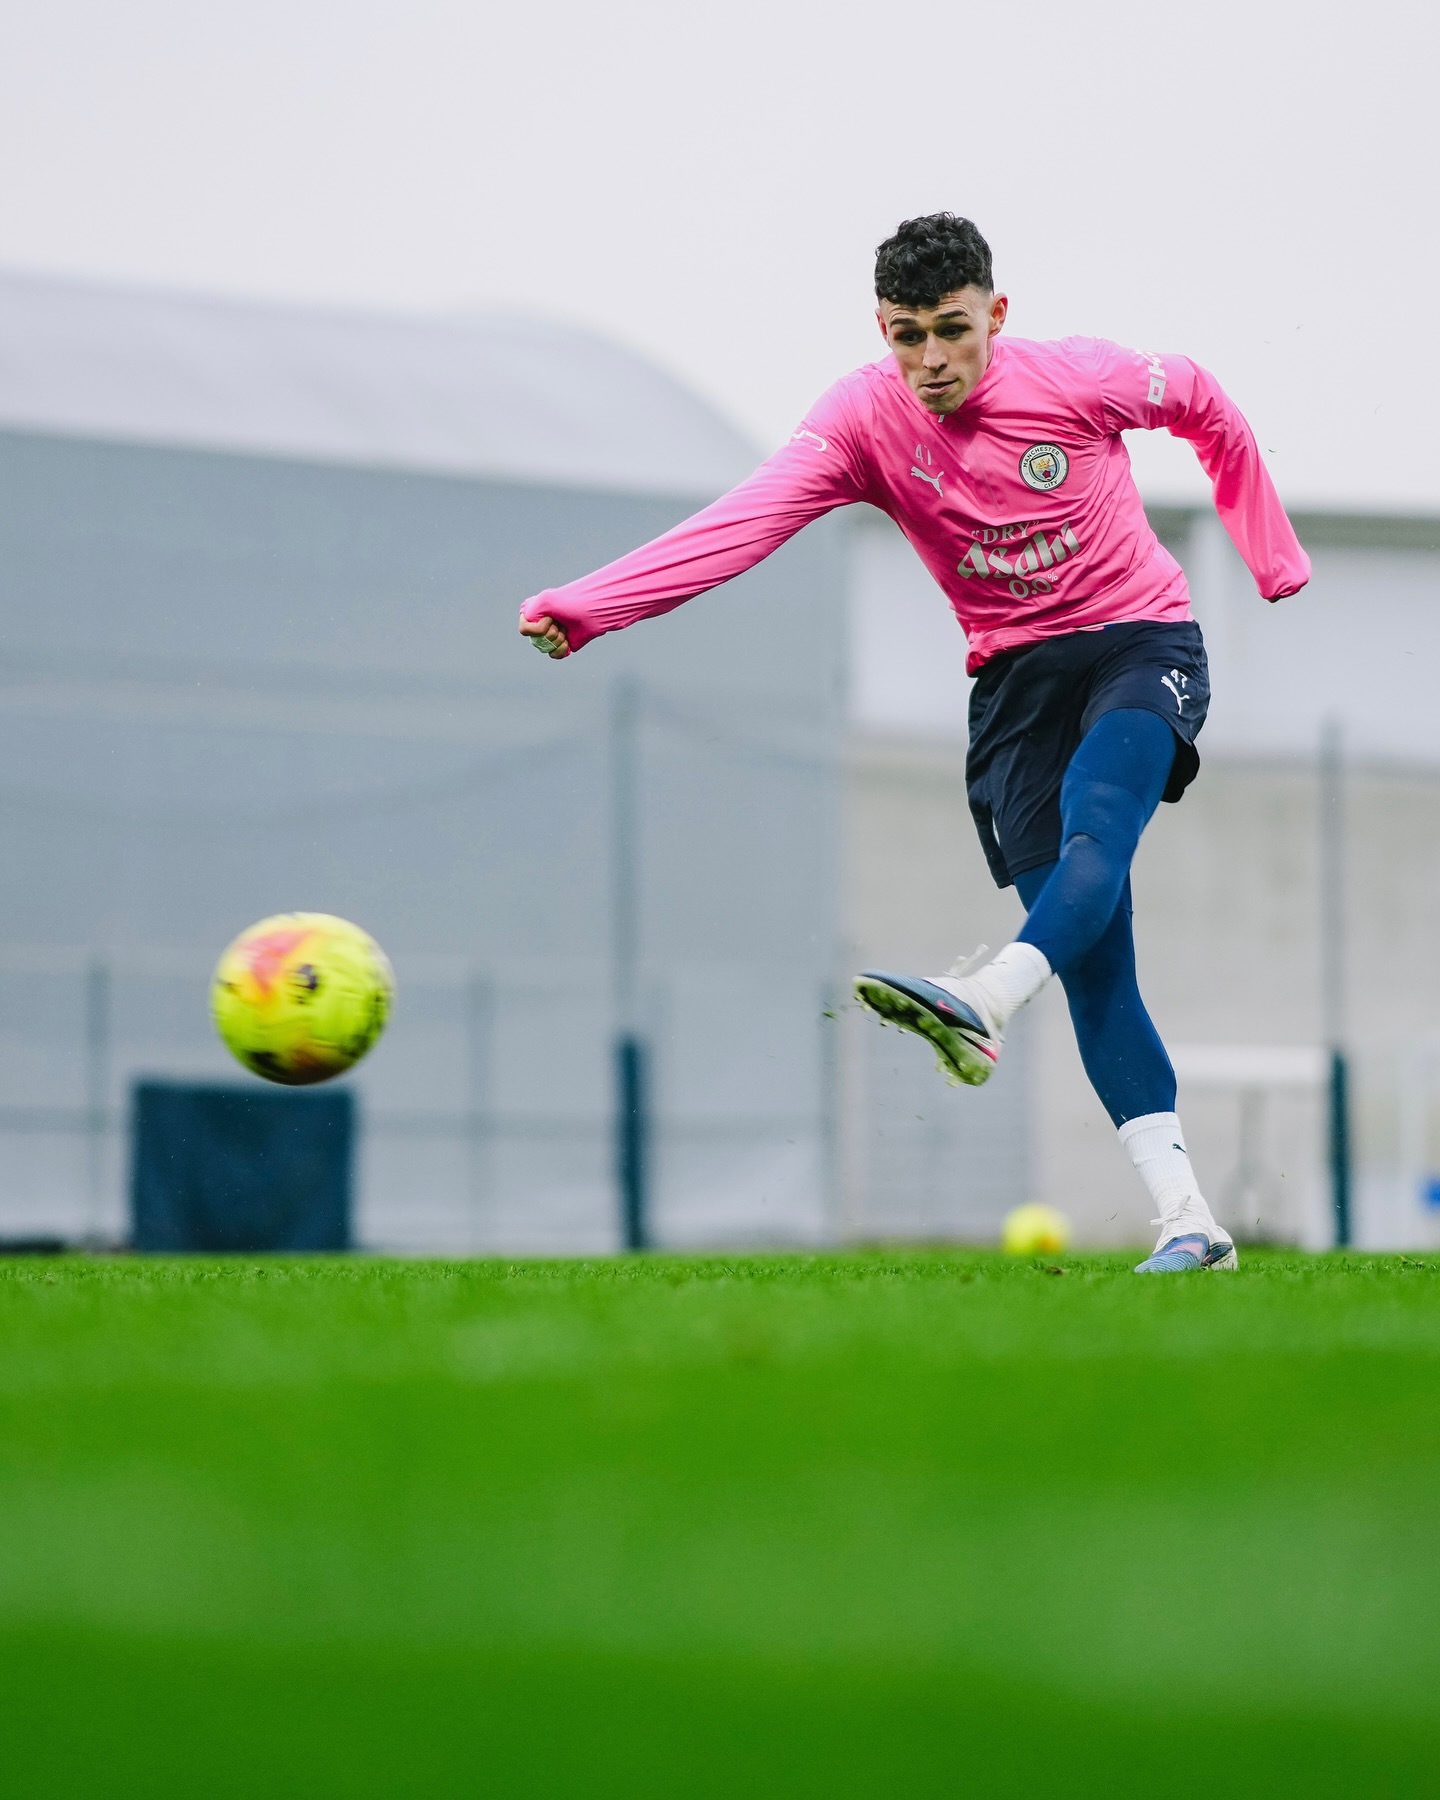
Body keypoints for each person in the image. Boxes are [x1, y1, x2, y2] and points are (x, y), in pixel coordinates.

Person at [518, 212, 1309, 1273]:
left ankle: (983, 999)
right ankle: (1191, 1222)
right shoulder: (859, 423)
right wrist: (592, 605)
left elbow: (1202, 398)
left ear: (996, 315)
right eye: (907, 335)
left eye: (951, 330)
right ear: (881, 330)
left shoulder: (1078, 378)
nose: (931, 359)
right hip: (1015, 688)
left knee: (1099, 826)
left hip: (1139, 641)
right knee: (1095, 966)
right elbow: (743, 522)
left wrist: (1269, 552)